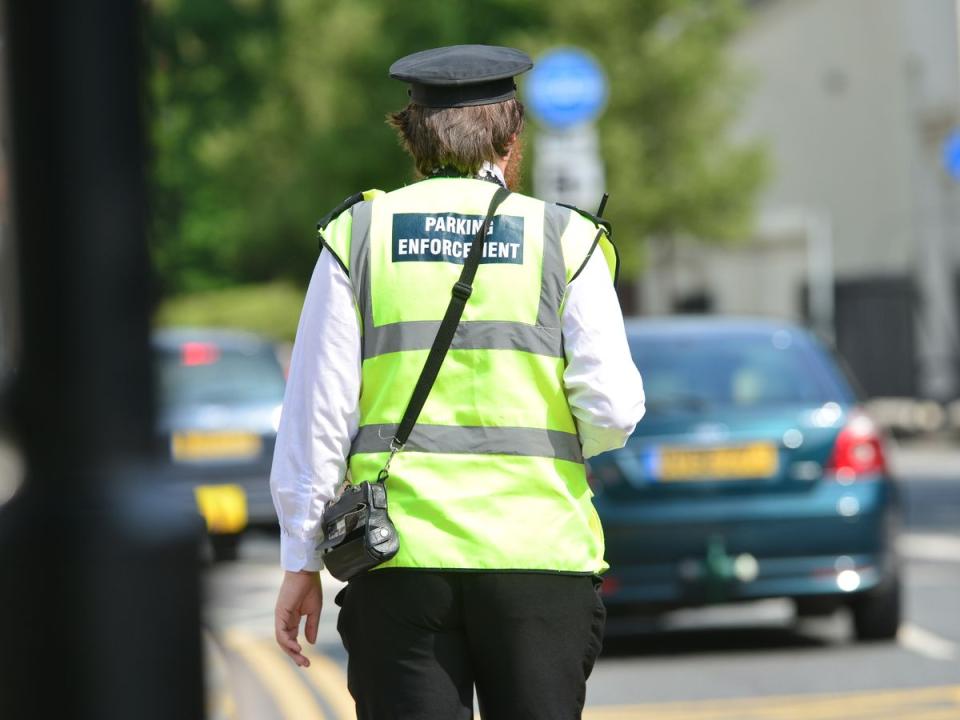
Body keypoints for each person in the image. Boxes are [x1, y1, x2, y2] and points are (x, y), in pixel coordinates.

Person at [270, 44, 645, 719]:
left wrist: (301, 560)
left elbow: (317, 415)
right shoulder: (565, 238)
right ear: (511, 136)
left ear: (413, 134)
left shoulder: (359, 235)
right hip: (538, 556)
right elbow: (613, 409)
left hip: (400, 559)